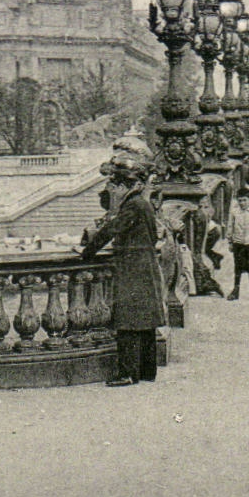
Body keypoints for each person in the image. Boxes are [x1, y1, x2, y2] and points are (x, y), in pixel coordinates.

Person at [81, 162, 168, 386]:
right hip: (144, 266)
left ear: (122, 186)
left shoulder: (133, 205)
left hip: (133, 268)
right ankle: (147, 371)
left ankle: (127, 374)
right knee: (145, 321)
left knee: (128, 320)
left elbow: (112, 229)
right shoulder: (143, 204)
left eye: (114, 187)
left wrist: (88, 251)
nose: (113, 192)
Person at [226, 188, 249, 302]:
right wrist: (230, 241)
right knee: (238, 267)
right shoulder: (234, 212)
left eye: (244, 200)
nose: (242, 203)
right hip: (238, 243)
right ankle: (236, 290)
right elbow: (230, 226)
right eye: (240, 200)